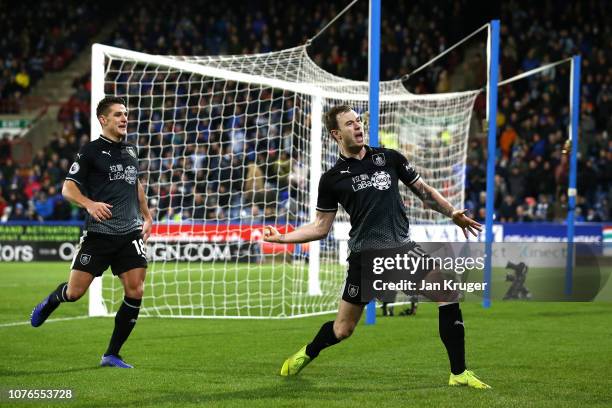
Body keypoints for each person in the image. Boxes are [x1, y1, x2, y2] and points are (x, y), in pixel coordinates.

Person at [264, 105, 490, 388]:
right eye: (349, 124)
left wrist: (452, 212)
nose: (357, 126)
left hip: (404, 251)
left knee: (448, 293)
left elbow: (424, 193)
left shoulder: (389, 158)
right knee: (343, 329)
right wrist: (283, 238)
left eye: (358, 121)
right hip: (366, 259)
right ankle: (308, 352)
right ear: (336, 133)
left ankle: (459, 373)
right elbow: (321, 226)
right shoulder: (333, 179)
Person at [30, 97, 152, 369]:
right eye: (118, 114)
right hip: (99, 235)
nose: (124, 119)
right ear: (103, 119)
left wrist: (147, 214)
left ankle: (112, 354)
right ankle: (51, 301)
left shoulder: (131, 150)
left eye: (126, 114)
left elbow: (135, 183)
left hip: (129, 233)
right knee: (74, 293)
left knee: (136, 290)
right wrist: (90, 203)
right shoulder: (90, 152)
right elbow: (68, 189)